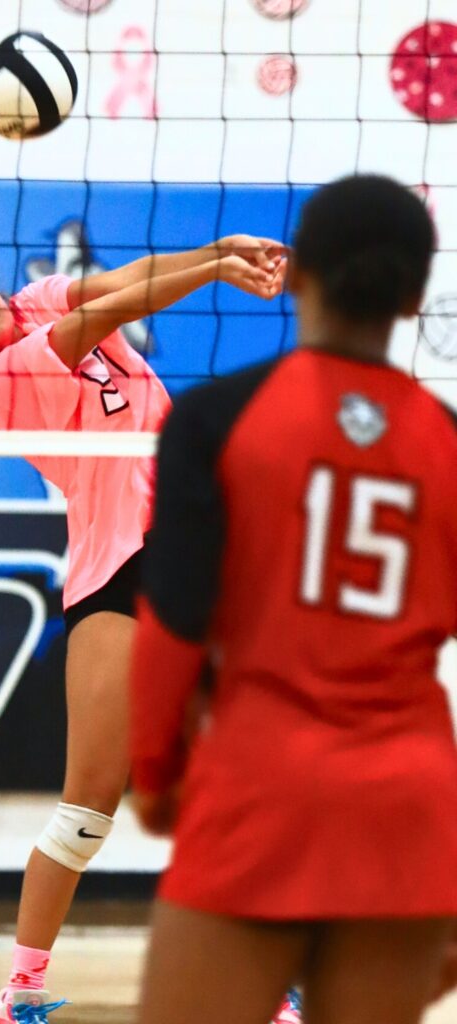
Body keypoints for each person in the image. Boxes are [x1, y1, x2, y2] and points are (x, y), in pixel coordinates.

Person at [0, 236, 287, 1024]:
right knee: (86, 809)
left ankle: (269, 987)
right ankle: (19, 994)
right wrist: (217, 269)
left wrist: (220, 246)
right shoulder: (0, 380)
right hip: (115, 569)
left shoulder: (38, 300)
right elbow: (116, 309)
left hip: (194, 549)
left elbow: (125, 279)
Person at [130, 173, 457, 1024]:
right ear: (417, 296)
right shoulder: (446, 441)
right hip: (408, 817)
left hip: (259, 790)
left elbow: (171, 624)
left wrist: (157, 775)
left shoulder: (215, 419)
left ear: (299, 272)